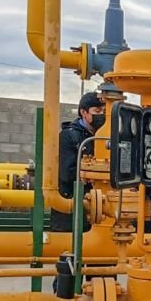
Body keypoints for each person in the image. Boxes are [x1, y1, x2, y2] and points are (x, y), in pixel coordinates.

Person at [51, 91, 105, 232]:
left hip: (100, 211)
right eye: (97, 111)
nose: (102, 115)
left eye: (105, 111)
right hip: (70, 209)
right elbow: (67, 173)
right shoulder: (68, 136)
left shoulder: (106, 138)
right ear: (83, 112)